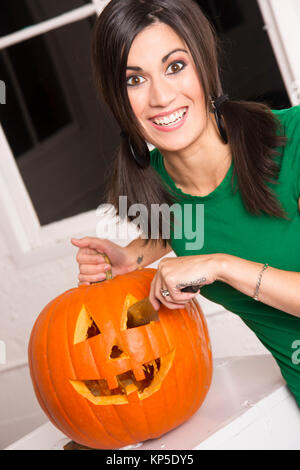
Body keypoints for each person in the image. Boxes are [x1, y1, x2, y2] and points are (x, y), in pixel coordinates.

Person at [71, 0, 300, 407]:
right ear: (116, 98)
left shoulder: (293, 142)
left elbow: (215, 239)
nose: (160, 96)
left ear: (205, 66)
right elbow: (190, 220)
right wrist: (129, 259)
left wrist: (220, 265)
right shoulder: (158, 184)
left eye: (175, 66)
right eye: (134, 80)